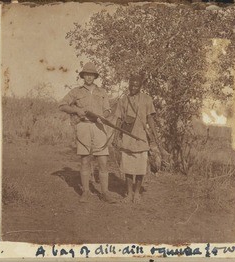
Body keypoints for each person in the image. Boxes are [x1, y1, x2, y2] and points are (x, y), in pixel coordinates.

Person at [59, 62, 116, 204]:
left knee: (103, 161)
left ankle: (105, 192)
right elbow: (62, 105)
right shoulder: (76, 92)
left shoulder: (102, 92)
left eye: (91, 74)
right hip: (83, 126)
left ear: (95, 76)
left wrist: (105, 115)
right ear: (83, 76)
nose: (89, 77)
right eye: (86, 74)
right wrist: (76, 111)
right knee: (84, 160)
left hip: (99, 127)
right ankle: (85, 192)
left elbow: (107, 110)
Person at [113, 73, 168, 203]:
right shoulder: (123, 100)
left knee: (140, 169)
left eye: (136, 85)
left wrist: (155, 136)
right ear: (129, 85)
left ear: (140, 86)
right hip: (127, 138)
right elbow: (119, 119)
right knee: (127, 168)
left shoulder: (147, 99)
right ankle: (129, 194)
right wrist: (115, 136)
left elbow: (150, 119)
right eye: (131, 85)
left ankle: (137, 193)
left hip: (142, 138)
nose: (133, 87)